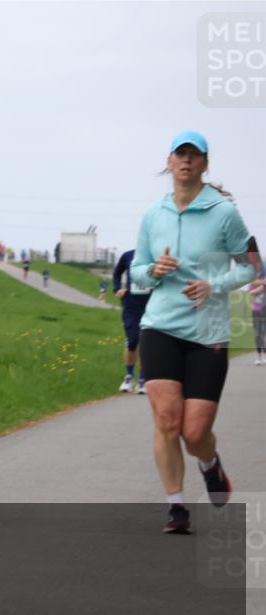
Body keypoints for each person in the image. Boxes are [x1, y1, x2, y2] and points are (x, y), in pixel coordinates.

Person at [129, 130, 257, 534]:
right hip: (161, 325)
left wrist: (214, 284)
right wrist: (153, 270)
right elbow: (136, 272)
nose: (185, 161)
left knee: (195, 432)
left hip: (208, 330)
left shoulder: (224, 213)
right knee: (167, 420)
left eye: (193, 155)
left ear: (204, 163)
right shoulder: (153, 214)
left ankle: (210, 463)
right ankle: (177, 507)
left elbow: (253, 266)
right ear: (169, 162)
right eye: (179, 155)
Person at [113, 249, 152, 393]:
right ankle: (129, 377)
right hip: (130, 306)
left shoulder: (155, 255)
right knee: (132, 341)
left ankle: (142, 380)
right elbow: (117, 273)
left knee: (146, 342)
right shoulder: (128, 255)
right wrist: (118, 289)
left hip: (151, 305)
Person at [251, 269, 266, 365]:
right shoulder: (253, 283)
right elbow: (251, 292)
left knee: (264, 333)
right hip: (256, 311)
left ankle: (264, 356)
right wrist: (261, 286)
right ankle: (259, 357)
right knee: (258, 334)